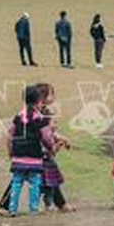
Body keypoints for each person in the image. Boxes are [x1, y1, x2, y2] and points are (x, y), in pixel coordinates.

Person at [2, 84, 49, 217]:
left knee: (16, 182)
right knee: (35, 183)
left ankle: (12, 209)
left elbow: (10, 135)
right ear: (38, 100)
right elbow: (46, 137)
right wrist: (50, 147)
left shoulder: (18, 117)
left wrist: (10, 151)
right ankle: (33, 209)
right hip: (34, 157)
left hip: (18, 156)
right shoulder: (40, 118)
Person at [37, 83, 73, 212]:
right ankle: (6, 205)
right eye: (51, 93)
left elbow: (51, 132)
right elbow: (45, 134)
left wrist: (62, 138)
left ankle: (60, 204)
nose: (54, 96)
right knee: (41, 179)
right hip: (38, 152)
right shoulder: (36, 113)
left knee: (51, 176)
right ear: (42, 96)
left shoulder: (46, 112)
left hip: (46, 153)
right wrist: (54, 145)